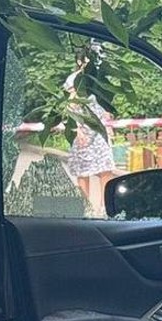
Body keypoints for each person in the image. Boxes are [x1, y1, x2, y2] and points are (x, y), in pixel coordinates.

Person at [64, 65, 120, 215]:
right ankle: (86, 208)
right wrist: (76, 129)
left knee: (105, 169)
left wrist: (108, 119)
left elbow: (105, 103)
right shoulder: (74, 79)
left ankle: (105, 207)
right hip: (82, 131)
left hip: (99, 130)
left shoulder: (99, 79)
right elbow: (70, 105)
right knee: (82, 171)